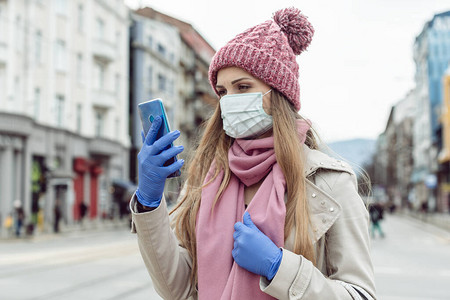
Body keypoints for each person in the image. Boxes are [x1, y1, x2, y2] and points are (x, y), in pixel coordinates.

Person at [131, 7, 376, 300]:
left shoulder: (329, 182)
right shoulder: (207, 179)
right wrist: (149, 203)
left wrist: (278, 267)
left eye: (243, 87)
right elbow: (178, 289)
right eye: (222, 92)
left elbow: (361, 294)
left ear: (278, 95)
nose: (228, 102)